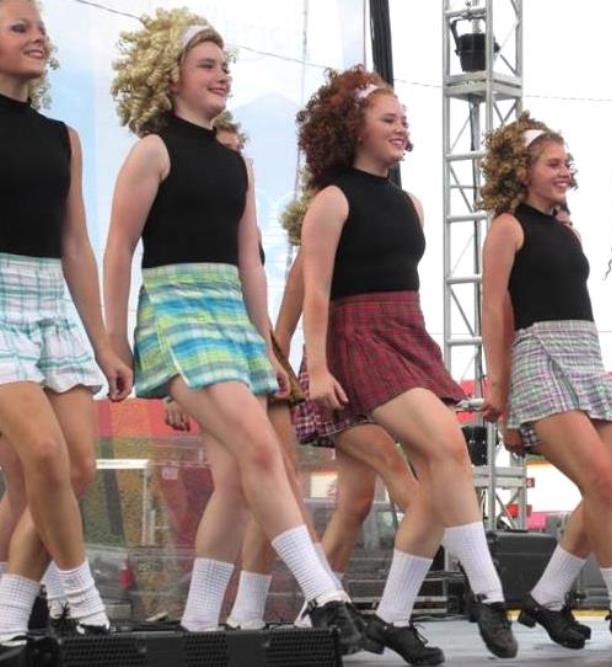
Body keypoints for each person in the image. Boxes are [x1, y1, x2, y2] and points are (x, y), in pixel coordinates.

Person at [103, 8, 361, 648]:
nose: (221, 76)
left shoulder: (235, 159)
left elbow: (251, 258)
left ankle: (197, 623)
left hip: (230, 315)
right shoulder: (153, 150)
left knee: (238, 484)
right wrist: (113, 341)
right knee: (260, 450)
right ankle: (326, 595)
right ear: (171, 78)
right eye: (206, 66)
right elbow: (117, 248)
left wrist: (270, 345)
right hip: (175, 309)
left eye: (225, 67)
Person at [297, 65, 516, 664]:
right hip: (357, 335)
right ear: (354, 127)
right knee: (448, 450)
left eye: (403, 120)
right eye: (386, 118)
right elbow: (314, 291)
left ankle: (391, 616)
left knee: (435, 488)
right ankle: (489, 594)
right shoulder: (332, 200)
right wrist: (314, 368)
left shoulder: (410, 203)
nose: (400, 127)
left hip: (408, 331)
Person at [479, 114, 612, 657]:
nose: (564, 171)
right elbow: (495, 310)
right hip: (540, 357)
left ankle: (548, 597)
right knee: (599, 485)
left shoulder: (567, 228)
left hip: (585, 356)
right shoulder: (508, 226)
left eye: (566, 163)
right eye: (553, 163)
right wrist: (499, 393)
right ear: (524, 168)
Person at [0, 0, 130, 644]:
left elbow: (76, 244)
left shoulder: (63, 137)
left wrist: (105, 341)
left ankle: (5, 623)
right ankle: (85, 605)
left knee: (74, 466)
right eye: (18, 27)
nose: (37, 36)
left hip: (49, 297)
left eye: (40, 27)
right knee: (43, 453)